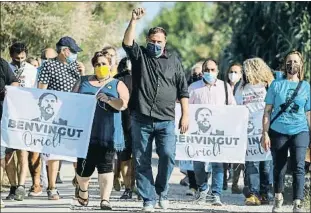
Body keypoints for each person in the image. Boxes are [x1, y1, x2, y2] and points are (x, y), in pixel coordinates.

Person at [122, 8, 189, 212]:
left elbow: (183, 89)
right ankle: (148, 199)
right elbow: (126, 43)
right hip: (141, 118)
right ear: (148, 40)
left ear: (165, 43)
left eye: (159, 41)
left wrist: (185, 115)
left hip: (166, 119)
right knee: (141, 159)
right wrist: (133, 21)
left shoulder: (174, 61)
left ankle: (162, 190)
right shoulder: (139, 55)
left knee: (168, 155)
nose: (156, 44)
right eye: (153, 40)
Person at [72, 51, 129, 210]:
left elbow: (123, 104)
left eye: (104, 64)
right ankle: (83, 189)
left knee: (106, 166)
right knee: (83, 170)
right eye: (98, 64)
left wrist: (109, 99)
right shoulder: (83, 81)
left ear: (110, 65)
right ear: (93, 65)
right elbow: (71, 101)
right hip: (85, 132)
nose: (101, 67)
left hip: (108, 132)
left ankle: (105, 200)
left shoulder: (117, 84)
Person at [261, 50, 310, 212]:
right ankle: (278, 197)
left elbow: (308, 112)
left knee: (299, 165)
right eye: (289, 61)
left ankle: (298, 202)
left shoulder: (306, 86)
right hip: (278, 130)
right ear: (284, 64)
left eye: (295, 61)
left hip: (300, 130)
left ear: (301, 65)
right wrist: (265, 133)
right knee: (279, 166)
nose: (292, 64)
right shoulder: (276, 85)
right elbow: (267, 110)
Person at [37, 36, 85, 200]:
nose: (75, 55)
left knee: (76, 152)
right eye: (73, 51)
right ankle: (52, 188)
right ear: (65, 51)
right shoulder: (48, 66)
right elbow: (41, 90)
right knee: (54, 153)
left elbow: (83, 89)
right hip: (54, 115)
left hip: (74, 114)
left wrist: (83, 73)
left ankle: (79, 184)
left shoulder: (75, 67)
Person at [189, 58, 236, 206]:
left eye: (212, 70)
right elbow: (186, 109)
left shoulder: (225, 87)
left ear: (217, 71)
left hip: (218, 133)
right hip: (199, 134)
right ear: (202, 72)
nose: (209, 73)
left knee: (218, 164)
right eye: (207, 70)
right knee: (198, 164)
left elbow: (232, 107)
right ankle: (202, 189)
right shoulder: (193, 88)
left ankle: (215, 194)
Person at [235, 57, 274, 206]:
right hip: (248, 132)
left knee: (267, 164)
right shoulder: (241, 87)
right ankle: (253, 193)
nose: (245, 73)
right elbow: (236, 106)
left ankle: (266, 193)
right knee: (252, 164)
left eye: (247, 69)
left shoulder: (269, 85)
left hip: (266, 130)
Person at [5, 42, 42, 201]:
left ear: (26, 54)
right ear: (11, 56)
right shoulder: (6, 67)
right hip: (7, 114)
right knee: (7, 154)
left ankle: (21, 185)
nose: (19, 60)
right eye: (16, 58)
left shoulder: (32, 70)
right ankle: (12, 185)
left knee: (23, 151)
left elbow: (37, 91)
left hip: (25, 115)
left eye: (22, 57)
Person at [114, 57, 136, 199]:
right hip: (139, 122)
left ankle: (127, 189)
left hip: (120, 122)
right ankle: (137, 187)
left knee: (124, 158)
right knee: (138, 158)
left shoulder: (115, 80)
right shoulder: (141, 78)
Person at [0, 57, 19, 208]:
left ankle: (14, 186)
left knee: (4, 156)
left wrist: (10, 89)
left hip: (2, 117)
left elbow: (14, 81)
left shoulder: (2, 63)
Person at [225, 62, 244, 194]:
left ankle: (236, 183)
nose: (233, 74)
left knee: (239, 155)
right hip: (225, 125)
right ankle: (223, 181)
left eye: (236, 72)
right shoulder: (223, 87)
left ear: (241, 75)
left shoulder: (243, 88)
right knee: (224, 156)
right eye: (231, 72)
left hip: (239, 126)